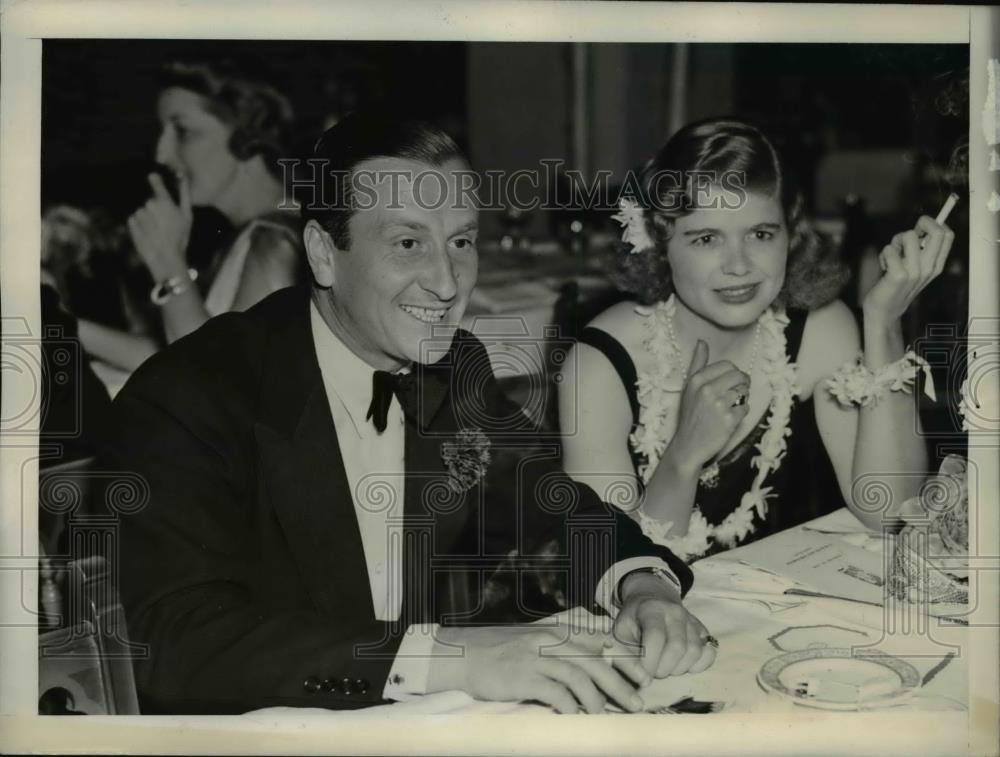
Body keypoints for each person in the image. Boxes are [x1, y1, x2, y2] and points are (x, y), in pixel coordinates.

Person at [102, 112, 717, 715]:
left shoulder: (454, 367)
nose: (448, 284)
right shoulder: (190, 396)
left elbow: (548, 506)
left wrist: (641, 586)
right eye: (407, 243)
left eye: (460, 242)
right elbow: (172, 641)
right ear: (322, 252)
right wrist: (455, 658)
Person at [559, 118, 954, 562]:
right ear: (657, 242)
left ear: (791, 234)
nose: (739, 266)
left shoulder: (820, 329)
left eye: (761, 234)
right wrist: (684, 455)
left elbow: (889, 513)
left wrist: (883, 323)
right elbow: (620, 568)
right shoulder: (599, 364)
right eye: (706, 238)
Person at [79, 59, 302, 373]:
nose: (161, 154)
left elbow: (219, 381)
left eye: (182, 131)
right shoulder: (252, 236)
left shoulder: (279, 244)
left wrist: (169, 264)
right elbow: (175, 350)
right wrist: (55, 320)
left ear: (247, 136)